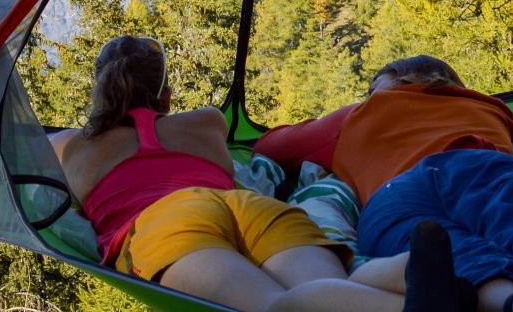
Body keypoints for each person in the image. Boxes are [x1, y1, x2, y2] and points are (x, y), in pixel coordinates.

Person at [51, 36, 470, 312]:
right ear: (167, 94)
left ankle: (414, 294)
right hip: (250, 207)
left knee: (276, 306)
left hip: (162, 224)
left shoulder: (69, 145)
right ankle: (411, 274)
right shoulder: (206, 121)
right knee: (342, 289)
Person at [254, 56, 513, 312]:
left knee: (440, 257)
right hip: (480, 165)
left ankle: (511, 303)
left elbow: (270, 144)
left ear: (399, 81)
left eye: (373, 88)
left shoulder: (358, 116)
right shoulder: (489, 107)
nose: (369, 97)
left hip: (392, 199)